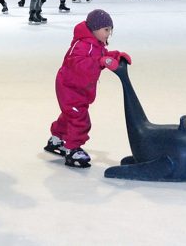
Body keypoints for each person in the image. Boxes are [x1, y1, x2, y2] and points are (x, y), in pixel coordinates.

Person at [44, 9, 131, 168]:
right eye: (106, 30)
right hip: (69, 87)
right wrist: (101, 61)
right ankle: (72, 150)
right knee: (80, 120)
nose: (109, 33)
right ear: (94, 28)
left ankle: (56, 139)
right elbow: (77, 64)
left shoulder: (96, 44)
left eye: (110, 30)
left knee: (70, 115)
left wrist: (117, 55)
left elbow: (101, 56)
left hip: (81, 88)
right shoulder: (81, 45)